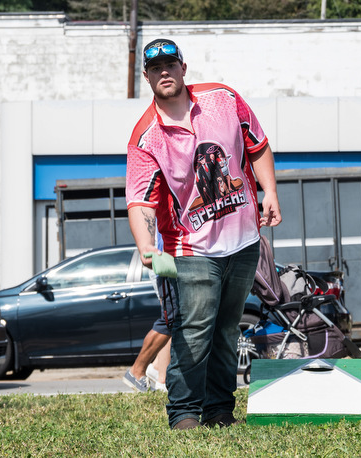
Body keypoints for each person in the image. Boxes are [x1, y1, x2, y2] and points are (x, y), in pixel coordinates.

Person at [126, 38, 281, 430]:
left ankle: (219, 410)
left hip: (244, 240)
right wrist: (146, 246)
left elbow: (258, 145)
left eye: (170, 64)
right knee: (194, 333)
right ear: (146, 76)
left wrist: (270, 193)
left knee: (228, 330)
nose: (164, 72)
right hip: (190, 248)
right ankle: (183, 414)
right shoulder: (147, 137)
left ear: (182, 68)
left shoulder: (223, 99)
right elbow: (141, 200)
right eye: (155, 67)